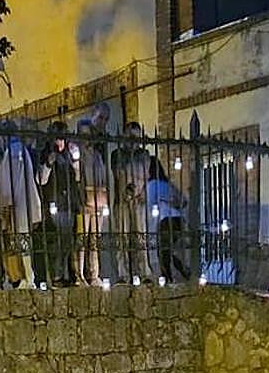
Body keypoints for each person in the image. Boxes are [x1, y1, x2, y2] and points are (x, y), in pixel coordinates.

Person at [0, 122, 41, 287]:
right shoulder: (22, 151)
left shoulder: (11, 153)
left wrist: (5, 208)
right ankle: (28, 276)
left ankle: (26, 277)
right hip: (25, 202)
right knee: (24, 241)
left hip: (16, 204)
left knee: (20, 242)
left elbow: (7, 182)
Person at [37, 121, 82, 286]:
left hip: (69, 202)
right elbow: (41, 180)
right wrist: (49, 163)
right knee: (57, 241)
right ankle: (56, 276)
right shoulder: (46, 154)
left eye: (63, 138)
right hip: (55, 203)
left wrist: (75, 162)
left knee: (68, 241)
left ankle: (69, 273)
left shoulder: (69, 155)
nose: (60, 142)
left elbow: (77, 178)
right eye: (57, 139)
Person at [111, 122, 154, 282]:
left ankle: (144, 272)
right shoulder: (117, 154)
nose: (133, 141)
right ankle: (123, 274)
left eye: (136, 137)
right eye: (130, 137)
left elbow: (146, 175)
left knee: (141, 236)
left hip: (139, 199)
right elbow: (119, 173)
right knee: (122, 237)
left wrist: (141, 191)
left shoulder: (145, 155)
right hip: (122, 200)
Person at [75, 119, 110, 284]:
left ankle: (94, 273)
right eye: (83, 134)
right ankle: (79, 274)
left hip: (98, 199)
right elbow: (76, 178)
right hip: (84, 200)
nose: (86, 138)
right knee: (82, 238)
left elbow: (103, 177)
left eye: (88, 134)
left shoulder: (97, 155)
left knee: (95, 238)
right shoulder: (77, 154)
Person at [146, 164, 190, 282]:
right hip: (178, 220)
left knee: (164, 252)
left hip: (166, 220)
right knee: (169, 250)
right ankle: (183, 271)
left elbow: (150, 204)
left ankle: (168, 280)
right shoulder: (168, 184)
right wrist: (173, 203)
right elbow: (184, 201)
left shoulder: (151, 184)